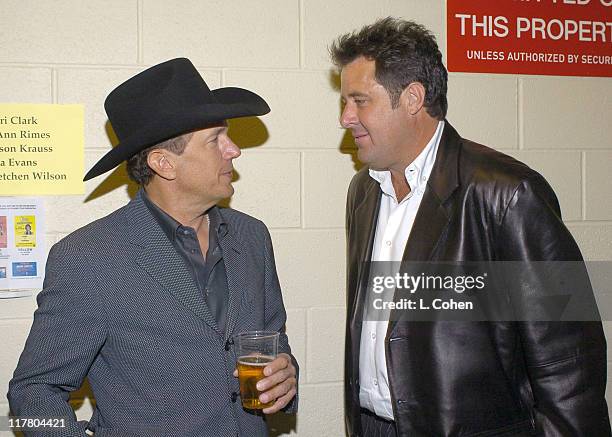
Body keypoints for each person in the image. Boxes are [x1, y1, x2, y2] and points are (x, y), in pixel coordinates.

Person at [331, 18, 610, 436]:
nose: (346, 118)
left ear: (412, 99)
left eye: (359, 101)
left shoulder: (510, 194)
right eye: (344, 103)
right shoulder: (364, 193)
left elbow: (567, 367)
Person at [8, 58, 297, 437]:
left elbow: (275, 343)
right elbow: (31, 395)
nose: (234, 150)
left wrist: (287, 376)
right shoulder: (89, 258)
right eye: (215, 140)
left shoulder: (252, 237)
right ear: (164, 163)